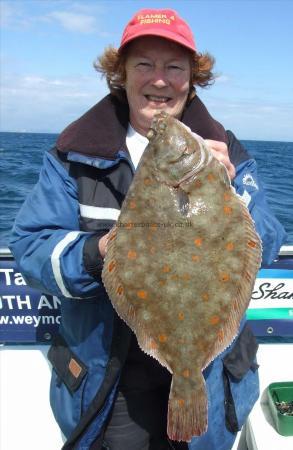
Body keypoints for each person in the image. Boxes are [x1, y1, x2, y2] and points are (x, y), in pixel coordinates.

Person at [10, 8, 286, 450]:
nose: (160, 80)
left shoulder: (226, 151)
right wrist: (101, 251)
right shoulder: (72, 154)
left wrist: (232, 189)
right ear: (121, 74)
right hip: (109, 376)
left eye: (174, 67)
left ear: (192, 79)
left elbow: (267, 243)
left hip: (210, 374)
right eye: (144, 65)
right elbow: (29, 247)